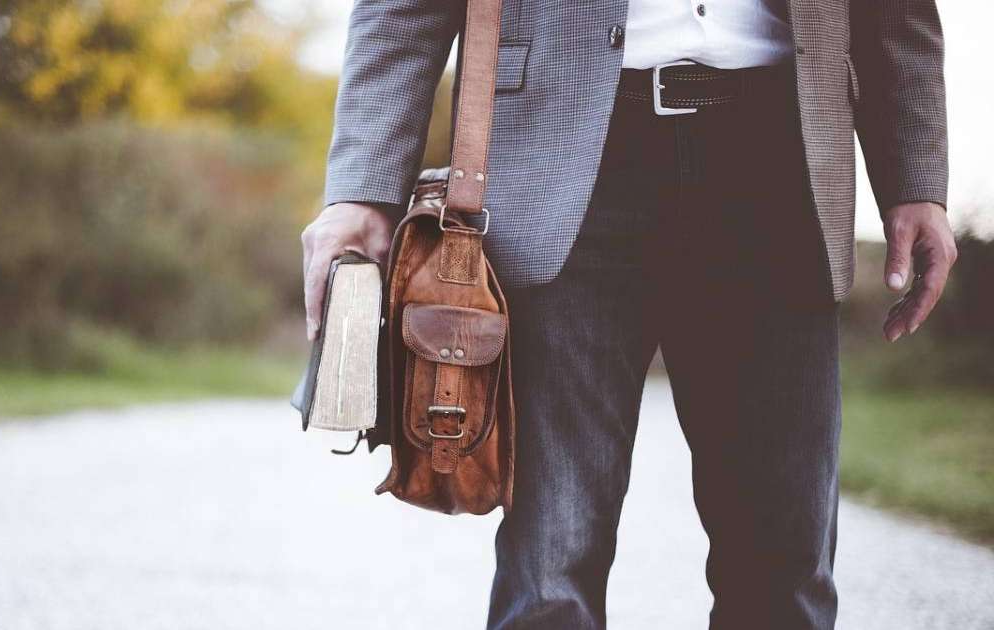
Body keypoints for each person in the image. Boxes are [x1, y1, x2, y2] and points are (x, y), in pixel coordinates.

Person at [300, 1, 956, 628]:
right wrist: (364, 188)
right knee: (550, 569)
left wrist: (916, 178)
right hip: (565, 163)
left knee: (783, 565)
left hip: (782, 159)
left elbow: (895, 11)